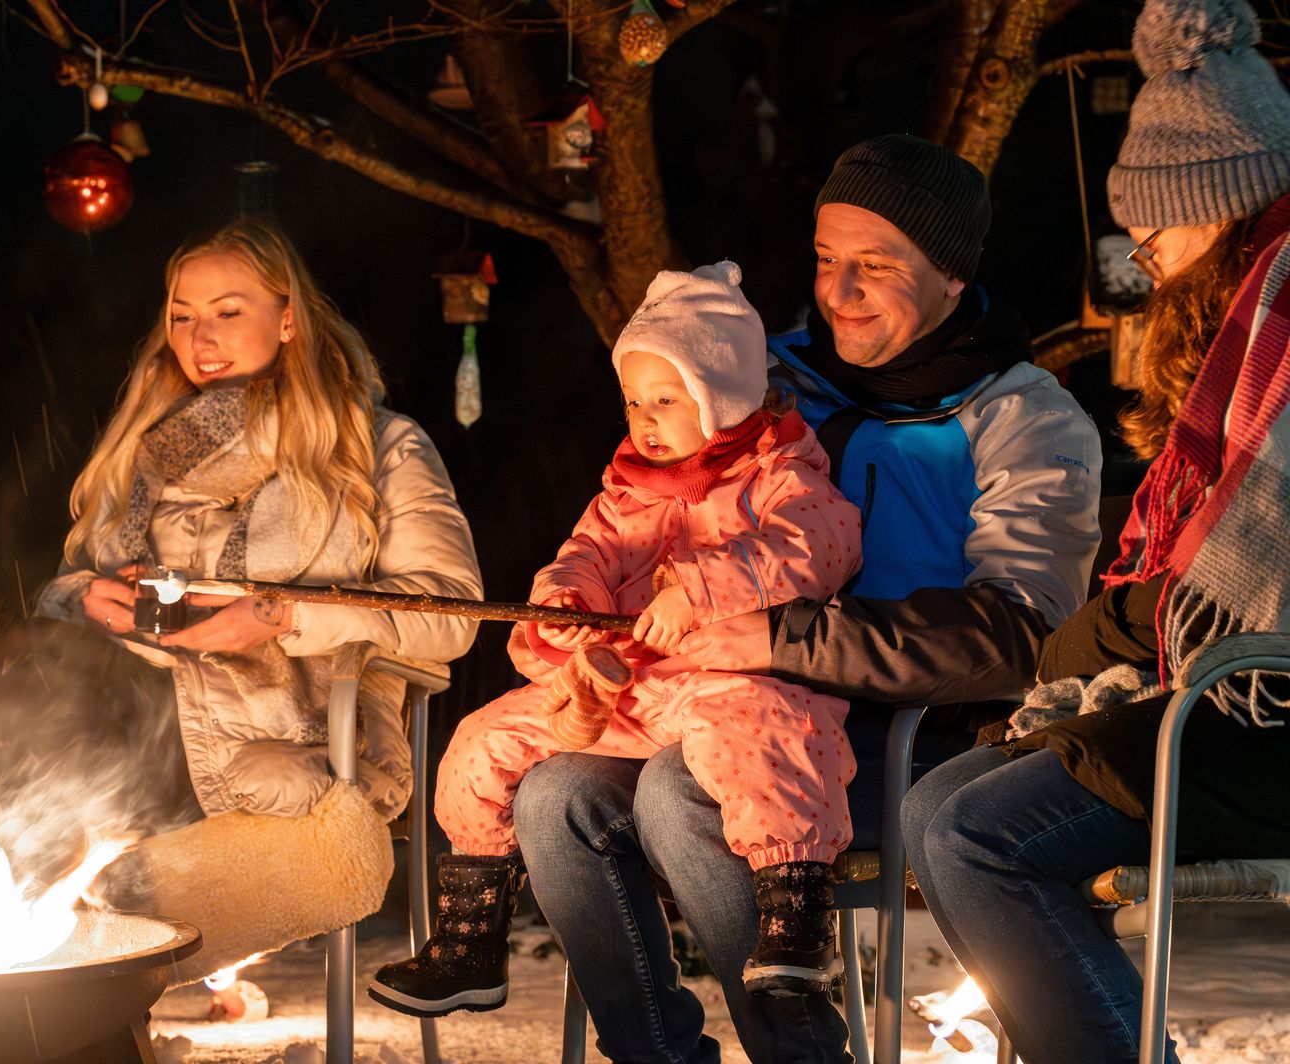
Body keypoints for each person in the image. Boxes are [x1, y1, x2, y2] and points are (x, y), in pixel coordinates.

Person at [511, 134, 1104, 1063]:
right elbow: (642, 515)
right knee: (554, 796)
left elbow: (1019, 633)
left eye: (877, 265)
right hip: (715, 707)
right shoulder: (762, 381)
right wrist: (589, 627)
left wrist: (785, 639)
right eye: (828, 260)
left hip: (914, 742)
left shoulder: (1019, 417)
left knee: (679, 793)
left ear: (951, 276)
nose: (840, 292)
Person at [902, 2, 1290, 1060]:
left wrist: (1112, 629)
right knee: (937, 799)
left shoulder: (1283, 320)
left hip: (1261, 712)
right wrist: (1114, 633)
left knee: (980, 836)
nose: (1145, 251)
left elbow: (1245, 590)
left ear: (1224, 203)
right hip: (1207, 696)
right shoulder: (1240, 337)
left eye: (1161, 224)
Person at [367, 262, 862, 1020]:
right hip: (627, 694)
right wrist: (566, 609)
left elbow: (815, 548)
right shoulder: (625, 494)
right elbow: (583, 558)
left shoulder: (781, 473)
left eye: (668, 400)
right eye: (634, 400)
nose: (645, 419)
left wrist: (699, 587)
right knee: (478, 742)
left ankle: (792, 914)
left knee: (763, 734)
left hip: (728, 681)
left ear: (724, 398)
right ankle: (472, 939)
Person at [0, 218, 482, 867]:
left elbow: (453, 615)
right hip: (140, 704)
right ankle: (41, 912)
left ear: (289, 320)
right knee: (29, 662)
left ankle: (71, 901)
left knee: (66, 741)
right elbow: (71, 579)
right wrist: (85, 599)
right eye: (182, 317)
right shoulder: (149, 450)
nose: (200, 338)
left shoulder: (375, 448)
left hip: (295, 726)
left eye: (227, 312)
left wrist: (283, 617)